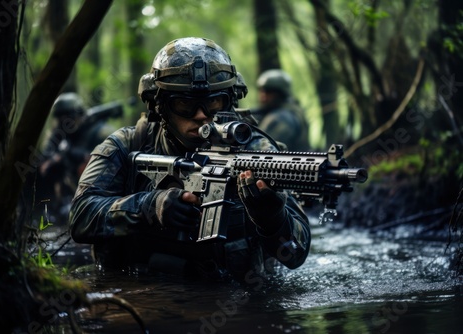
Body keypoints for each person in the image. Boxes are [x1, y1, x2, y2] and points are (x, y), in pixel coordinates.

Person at [69, 37, 311, 281]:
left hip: (234, 300)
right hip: (142, 298)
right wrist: (148, 207)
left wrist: (273, 219)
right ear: (160, 106)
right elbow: (80, 218)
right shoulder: (127, 145)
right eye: (185, 104)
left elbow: (295, 255)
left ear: (230, 101)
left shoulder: (255, 150)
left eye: (214, 103)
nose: (201, 116)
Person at [37, 92, 115, 222]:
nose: (64, 123)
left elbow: (109, 164)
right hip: (68, 192)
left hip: (99, 193)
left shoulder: (100, 132)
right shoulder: (60, 135)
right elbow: (45, 161)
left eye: (68, 117)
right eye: (60, 119)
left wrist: (75, 155)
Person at [251, 69, 310, 151]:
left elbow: (264, 151)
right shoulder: (293, 111)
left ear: (280, 94)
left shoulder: (281, 118)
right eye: (262, 91)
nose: (263, 96)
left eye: (269, 91)